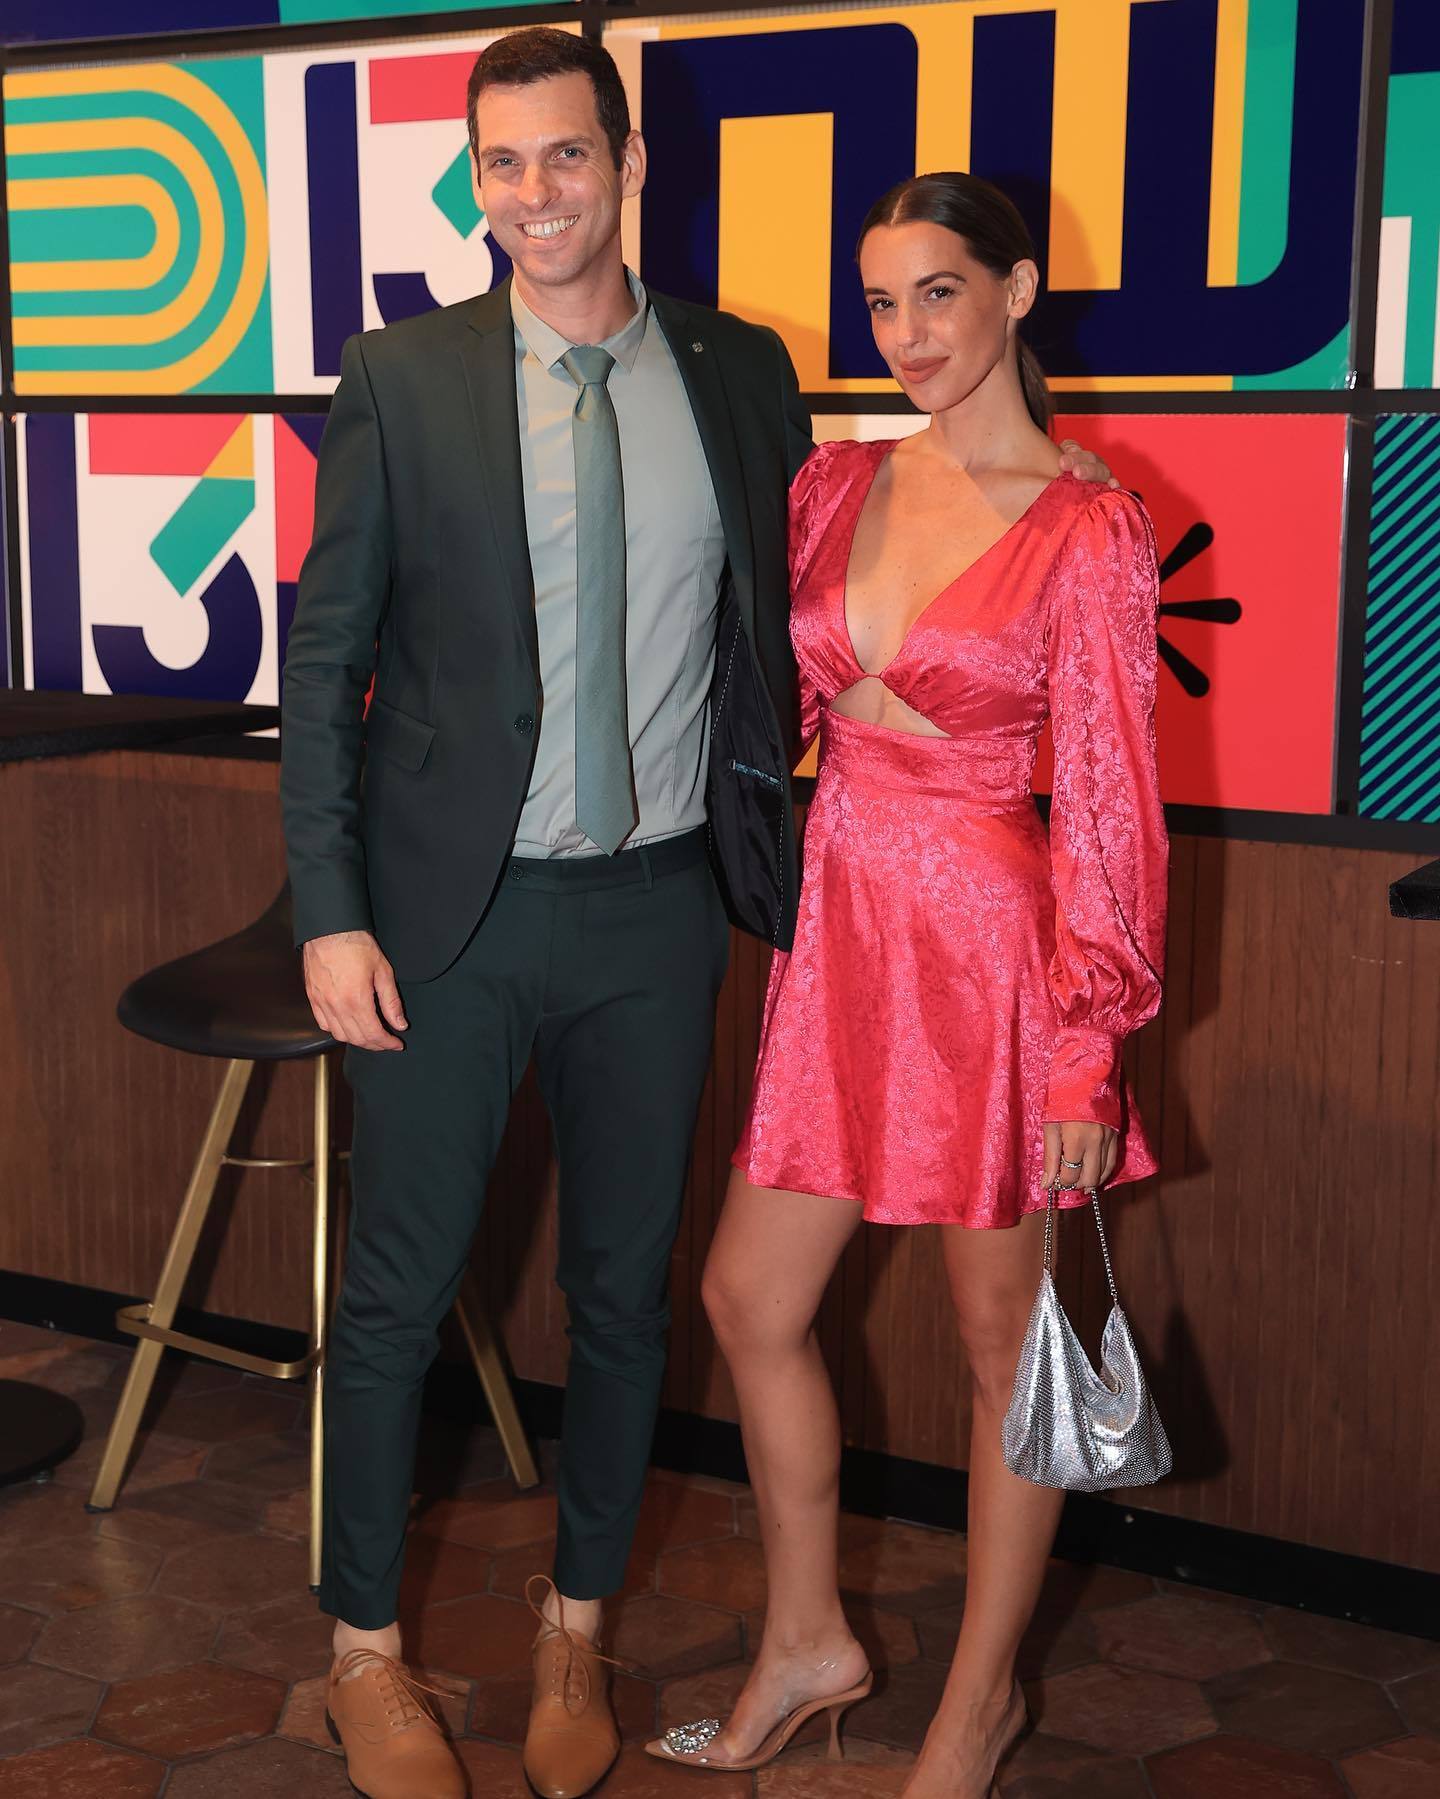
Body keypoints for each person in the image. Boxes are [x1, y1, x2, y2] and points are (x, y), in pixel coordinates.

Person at [282, 24, 1116, 1791]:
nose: (536, 195)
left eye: (567, 155)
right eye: (503, 164)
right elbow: (328, 651)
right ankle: (364, 1655)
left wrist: (1079, 1028)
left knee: (632, 1300)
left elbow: (795, 655)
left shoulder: (745, 380)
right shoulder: (407, 378)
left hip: (675, 917)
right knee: (400, 1295)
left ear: (629, 163)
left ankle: (577, 1633)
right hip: (451, 921)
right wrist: (329, 909)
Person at [648, 172, 1167, 1798]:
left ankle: (977, 1706)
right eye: (882, 303)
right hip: (841, 943)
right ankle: (808, 1638)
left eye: (940, 292)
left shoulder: (1089, 524)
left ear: (1017, 291)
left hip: (996, 960)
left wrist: (1087, 1048)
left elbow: (1111, 799)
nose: (909, 333)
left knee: (1004, 1345)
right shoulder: (836, 482)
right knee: (750, 1300)